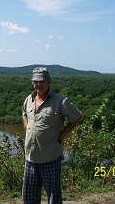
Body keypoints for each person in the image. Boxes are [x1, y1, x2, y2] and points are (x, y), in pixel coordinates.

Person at [22, 67, 82, 204]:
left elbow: (77, 117)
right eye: (36, 81)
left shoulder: (60, 101)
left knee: (53, 197)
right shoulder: (28, 100)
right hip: (30, 158)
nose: (39, 84)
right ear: (32, 82)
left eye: (42, 81)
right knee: (29, 196)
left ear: (49, 82)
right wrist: (27, 127)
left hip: (50, 158)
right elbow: (24, 114)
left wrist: (63, 134)